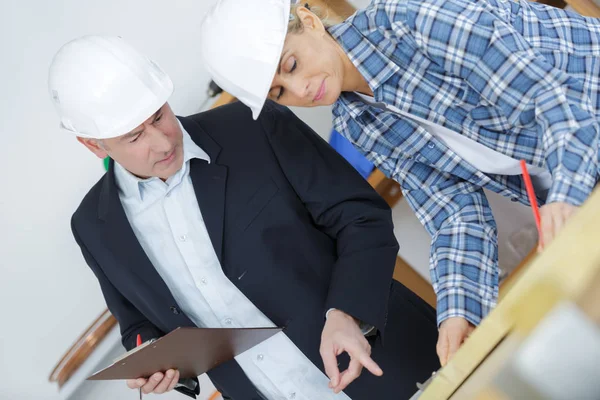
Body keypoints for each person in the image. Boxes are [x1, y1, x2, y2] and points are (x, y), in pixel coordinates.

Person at [199, 0, 600, 365]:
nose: (301, 88)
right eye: (280, 91)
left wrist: (566, 197)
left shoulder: (413, 23)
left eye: (291, 65)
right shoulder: (359, 125)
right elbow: (453, 214)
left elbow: (552, 98)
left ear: (309, 20)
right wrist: (458, 313)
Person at [48, 35, 440, 400]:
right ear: (91, 144)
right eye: (134, 137)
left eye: (158, 116)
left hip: (389, 366)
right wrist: (151, 356)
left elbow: (359, 215)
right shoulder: (93, 227)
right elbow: (136, 323)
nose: (163, 141)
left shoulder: (253, 125)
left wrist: (347, 310)